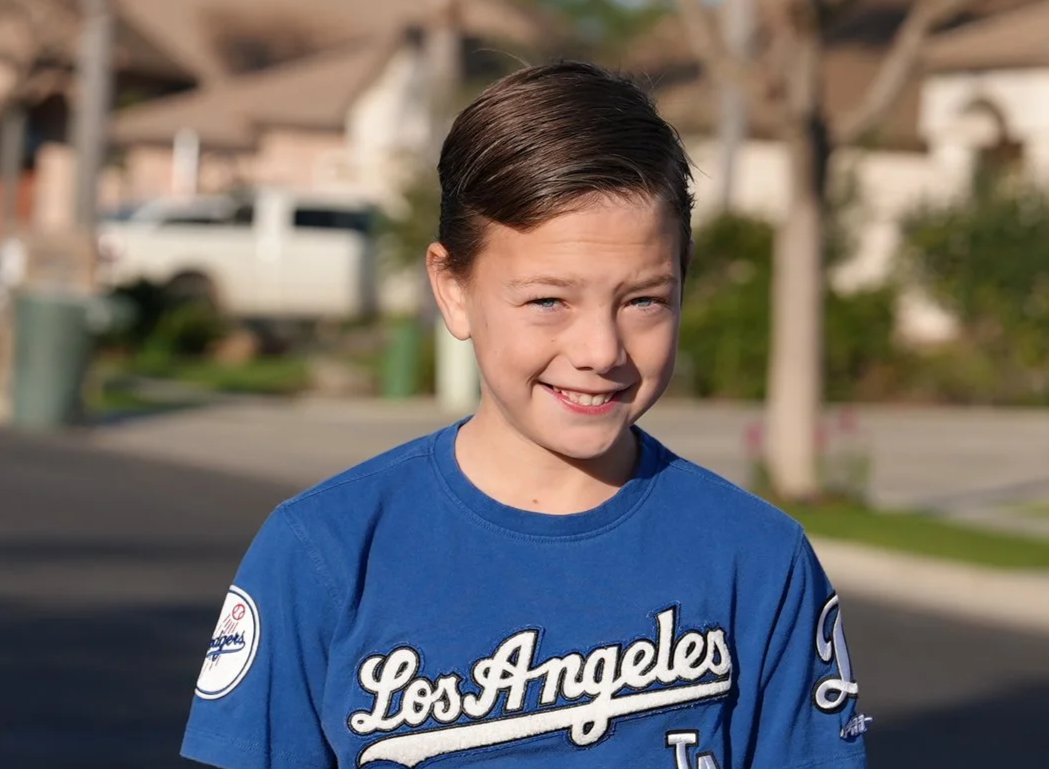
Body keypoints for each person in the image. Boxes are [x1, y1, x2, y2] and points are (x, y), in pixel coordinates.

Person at [180, 61, 869, 769]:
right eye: (548, 300)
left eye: (643, 300)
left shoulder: (757, 559)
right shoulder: (323, 552)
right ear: (452, 288)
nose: (599, 349)